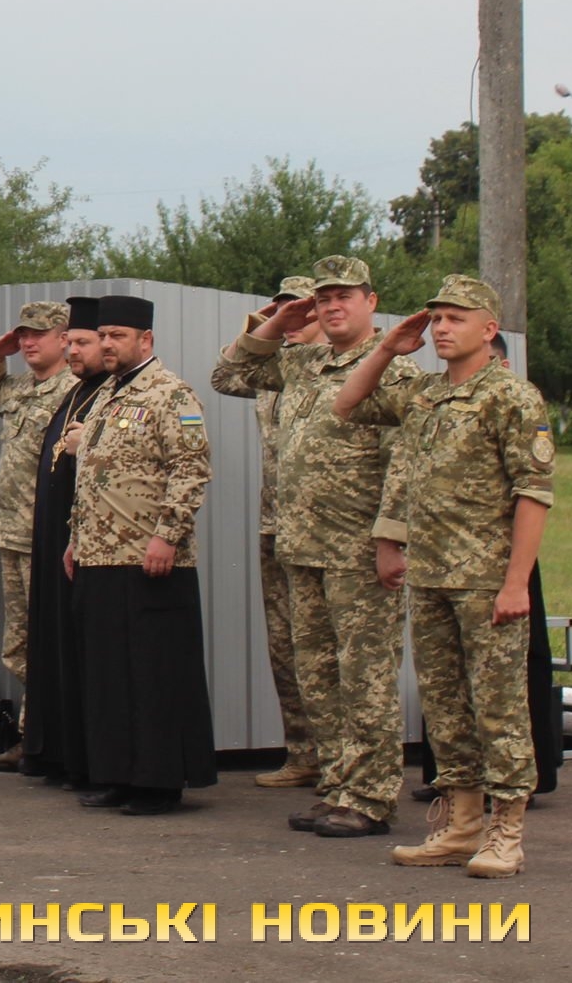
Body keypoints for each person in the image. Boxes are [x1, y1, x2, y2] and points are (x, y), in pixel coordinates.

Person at [334, 276, 553, 878]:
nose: (442, 328)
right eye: (436, 319)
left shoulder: (512, 397)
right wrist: (387, 347)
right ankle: (461, 825)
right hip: (429, 576)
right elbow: (346, 404)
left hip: (486, 580)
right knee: (446, 707)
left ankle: (507, 831)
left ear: (489, 329)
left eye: (456, 318)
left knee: (499, 707)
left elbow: (533, 493)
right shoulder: (425, 394)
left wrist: (516, 582)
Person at [211, 255, 416, 838]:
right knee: (318, 676)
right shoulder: (303, 362)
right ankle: (337, 785)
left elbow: (404, 461)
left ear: (371, 302)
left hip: (357, 549)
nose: (331, 307)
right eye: (323, 299)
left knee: (365, 677)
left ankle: (371, 797)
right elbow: (227, 375)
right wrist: (278, 322)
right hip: (301, 546)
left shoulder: (393, 368)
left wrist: (391, 538)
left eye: (344, 296)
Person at [65, 293, 217, 816]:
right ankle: (117, 773)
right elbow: (92, 477)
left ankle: (157, 781)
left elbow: (190, 469)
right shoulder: (105, 395)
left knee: (151, 675)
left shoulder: (171, 394)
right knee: (108, 674)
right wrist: (74, 538)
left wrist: (167, 536)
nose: (107, 344)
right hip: (99, 556)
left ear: (145, 339)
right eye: (103, 335)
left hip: (147, 557)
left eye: (118, 336)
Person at [209, 274, 323, 790]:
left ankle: (343, 762)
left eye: (303, 310)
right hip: (275, 525)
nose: (293, 319)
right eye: (283, 310)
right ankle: (303, 753)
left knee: (324, 650)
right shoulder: (275, 370)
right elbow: (223, 375)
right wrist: (269, 325)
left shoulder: (331, 369)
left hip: (322, 530)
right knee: (284, 647)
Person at [0, 300, 74, 770]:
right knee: (20, 640)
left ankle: (46, 739)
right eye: (23, 335)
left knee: (47, 639)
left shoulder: (74, 391)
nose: (28, 342)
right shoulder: (21, 388)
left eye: (38, 334)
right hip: (11, 532)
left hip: (45, 537)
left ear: (64, 339)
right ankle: (34, 736)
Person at [21, 298, 111, 784]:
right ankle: (52, 749)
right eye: (71, 342)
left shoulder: (109, 396)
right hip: (52, 533)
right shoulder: (74, 392)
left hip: (88, 539)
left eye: (83, 342)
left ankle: (84, 758)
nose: (74, 351)